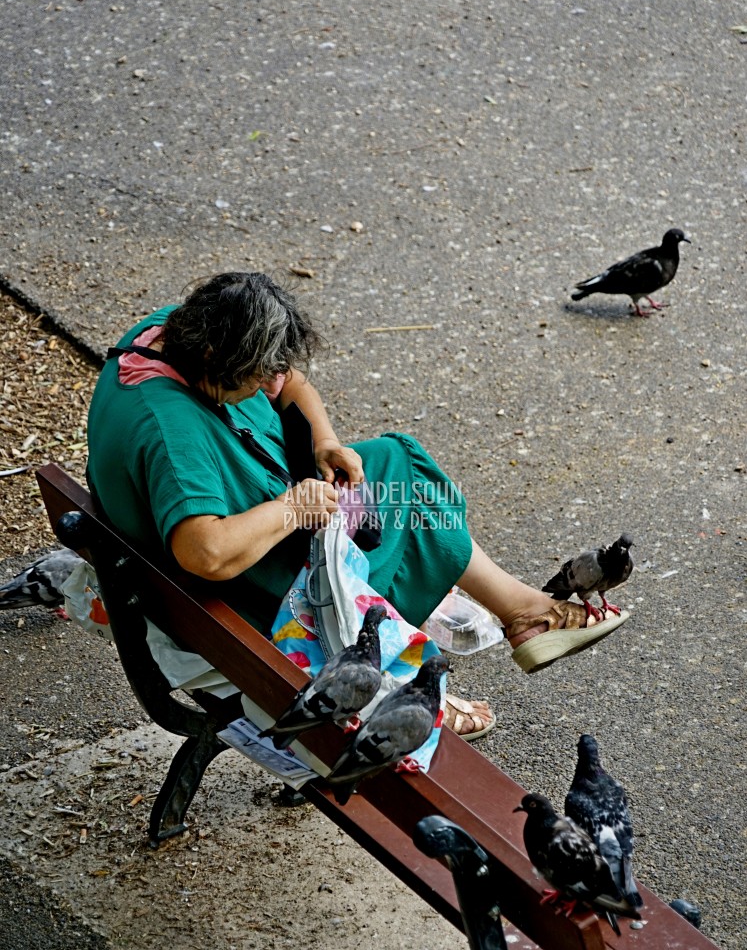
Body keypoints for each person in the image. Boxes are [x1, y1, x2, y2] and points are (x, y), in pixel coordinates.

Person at [87, 272, 628, 740]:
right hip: (245, 593)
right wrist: (295, 508)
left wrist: (324, 441)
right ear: (215, 359)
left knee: (394, 464)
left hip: (234, 538)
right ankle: (461, 656)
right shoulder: (172, 429)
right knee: (405, 497)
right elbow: (205, 553)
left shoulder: (179, 331)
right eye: (253, 377)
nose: (264, 384)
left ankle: (521, 612)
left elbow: (290, 381)